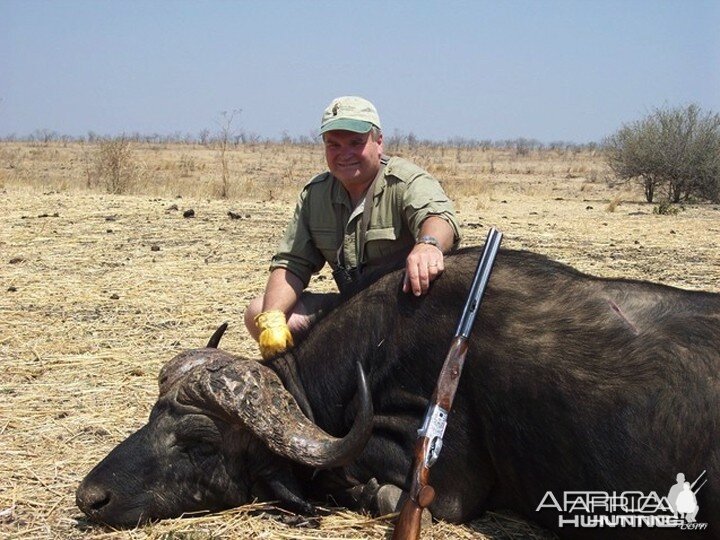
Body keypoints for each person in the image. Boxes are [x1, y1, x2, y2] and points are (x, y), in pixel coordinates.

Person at [244, 96, 461, 359]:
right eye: (333, 144)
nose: (344, 153)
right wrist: (273, 321)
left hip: (405, 310)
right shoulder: (316, 194)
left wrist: (428, 245)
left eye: (355, 143)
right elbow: (292, 263)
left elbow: (440, 218)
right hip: (354, 310)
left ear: (378, 142)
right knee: (259, 312)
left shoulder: (405, 180)